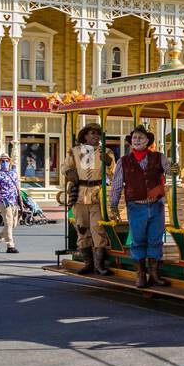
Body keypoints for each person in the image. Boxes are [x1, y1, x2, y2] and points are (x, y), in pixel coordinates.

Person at [110, 124, 174, 288]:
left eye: (140, 137)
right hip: (136, 206)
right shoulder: (123, 162)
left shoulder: (159, 157)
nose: (137, 140)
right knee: (138, 241)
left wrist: (174, 168)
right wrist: (113, 205)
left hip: (156, 205)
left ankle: (154, 274)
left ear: (147, 141)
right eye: (134, 138)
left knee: (155, 240)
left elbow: (171, 171)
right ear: (131, 142)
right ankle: (140, 275)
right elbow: (117, 185)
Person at [63, 122, 115, 275]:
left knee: (97, 228)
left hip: (97, 193)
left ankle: (99, 265)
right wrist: (69, 173)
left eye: (98, 133)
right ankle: (88, 263)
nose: (96, 136)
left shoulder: (107, 151)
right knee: (82, 227)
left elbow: (114, 173)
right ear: (85, 135)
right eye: (92, 133)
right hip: (79, 194)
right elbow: (65, 167)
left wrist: (109, 163)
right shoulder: (74, 151)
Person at [0, 152, 21, 254]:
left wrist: (21, 201)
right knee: (8, 222)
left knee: (13, 224)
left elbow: (17, 188)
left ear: (9, 161)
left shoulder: (14, 173)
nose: (4, 162)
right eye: (2, 161)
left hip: (14, 201)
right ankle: (10, 246)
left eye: (6, 161)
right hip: (4, 200)